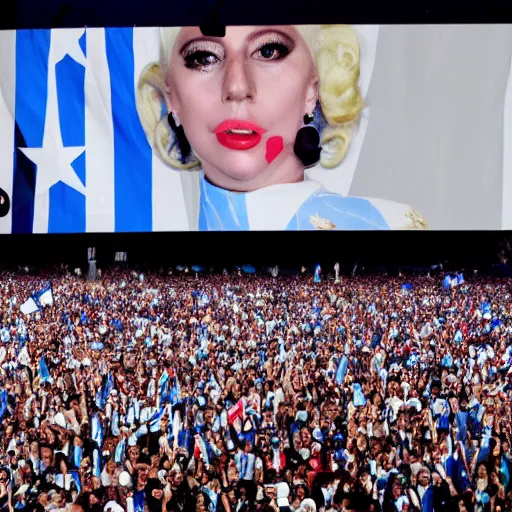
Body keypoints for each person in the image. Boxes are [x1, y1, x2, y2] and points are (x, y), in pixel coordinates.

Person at [136, 25, 428, 231]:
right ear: (170, 95)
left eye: (269, 51)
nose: (237, 87)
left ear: (313, 87)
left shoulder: (387, 225)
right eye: (204, 57)